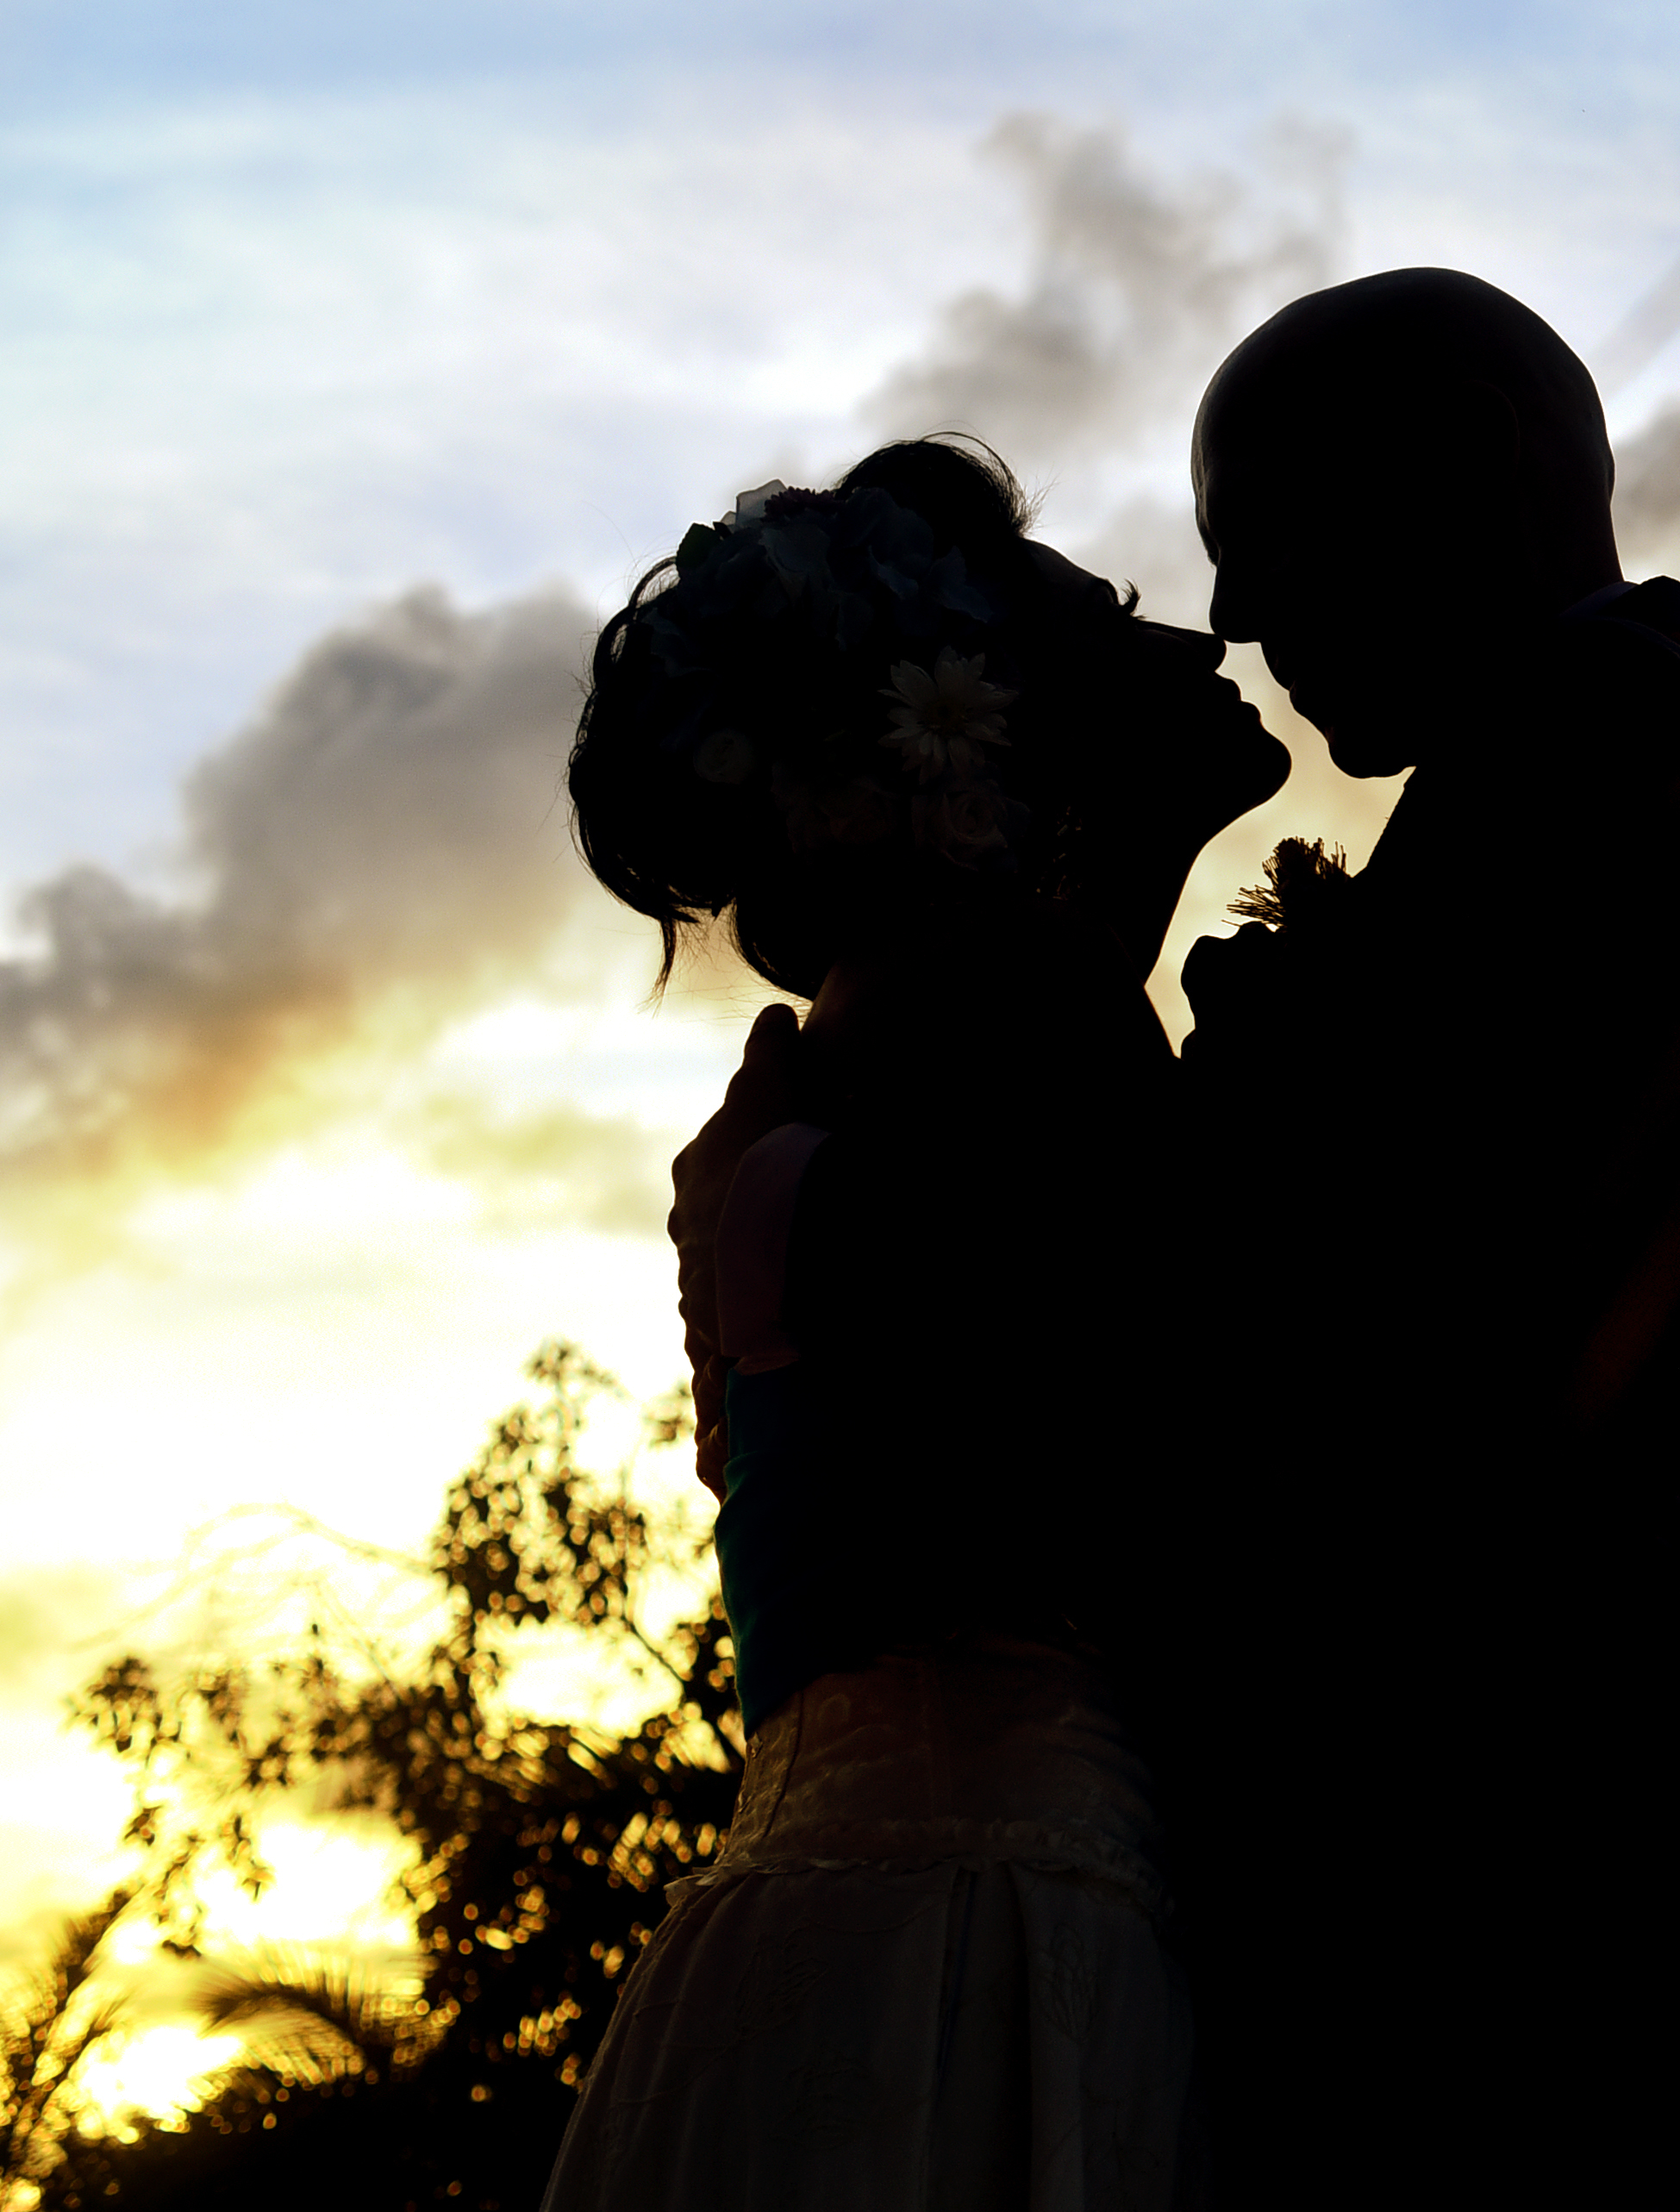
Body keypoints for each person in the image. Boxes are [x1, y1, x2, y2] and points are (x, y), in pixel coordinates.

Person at [1169, 269, 1680, 2206]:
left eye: (1260, 540)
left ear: (1469, 466)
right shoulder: (1571, 775)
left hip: (1486, 1861)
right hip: (1506, 1832)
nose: (1233, 621)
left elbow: (1408, 1327)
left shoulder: (1614, 783)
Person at [546, 439, 1284, 2210]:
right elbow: (1226, 1480)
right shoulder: (1029, 1054)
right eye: (1111, 621)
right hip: (1000, 1943)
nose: (1189, 638)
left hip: (818, 1907)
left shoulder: (822, 1091)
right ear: (990, 747)